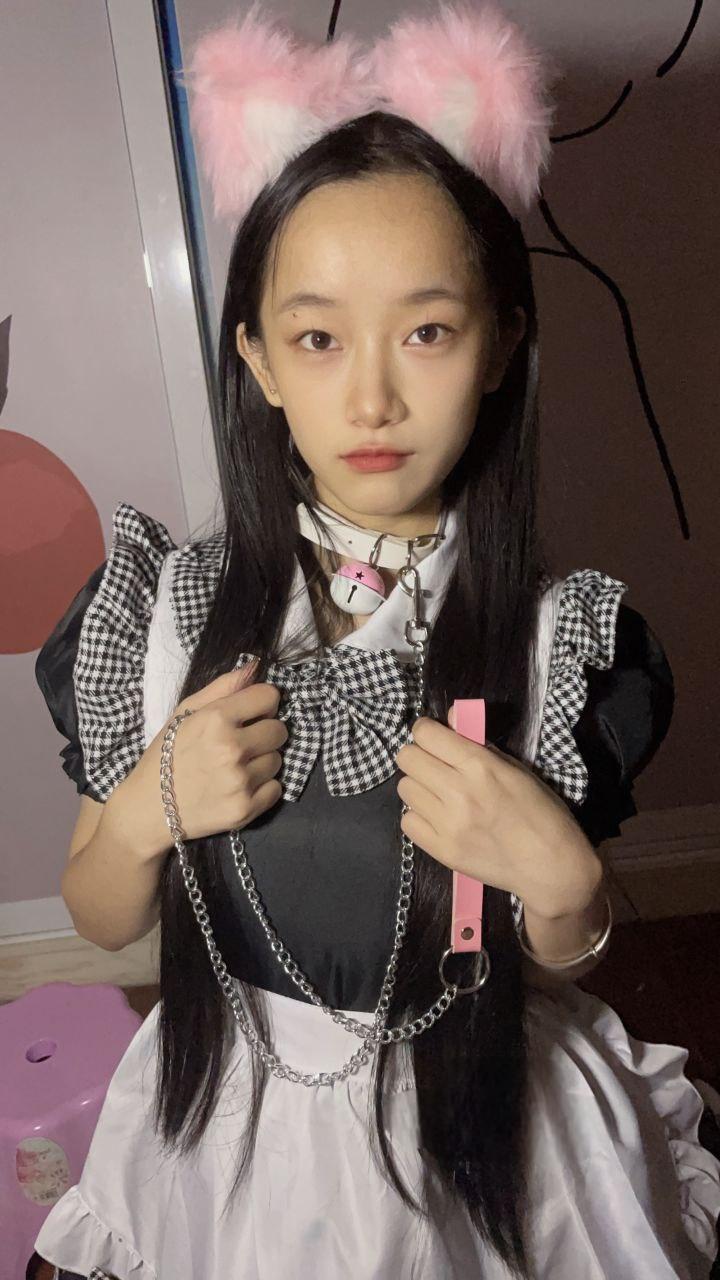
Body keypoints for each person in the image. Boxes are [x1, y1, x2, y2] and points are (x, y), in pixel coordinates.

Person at [32, 4, 720, 1277]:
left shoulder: (566, 643)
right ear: (256, 358)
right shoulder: (163, 612)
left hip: (486, 1137)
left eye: (427, 331)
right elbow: (103, 910)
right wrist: (147, 806)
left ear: (501, 343)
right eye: (317, 337)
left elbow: (553, 949)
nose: (371, 397)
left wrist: (565, 883)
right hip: (229, 1133)